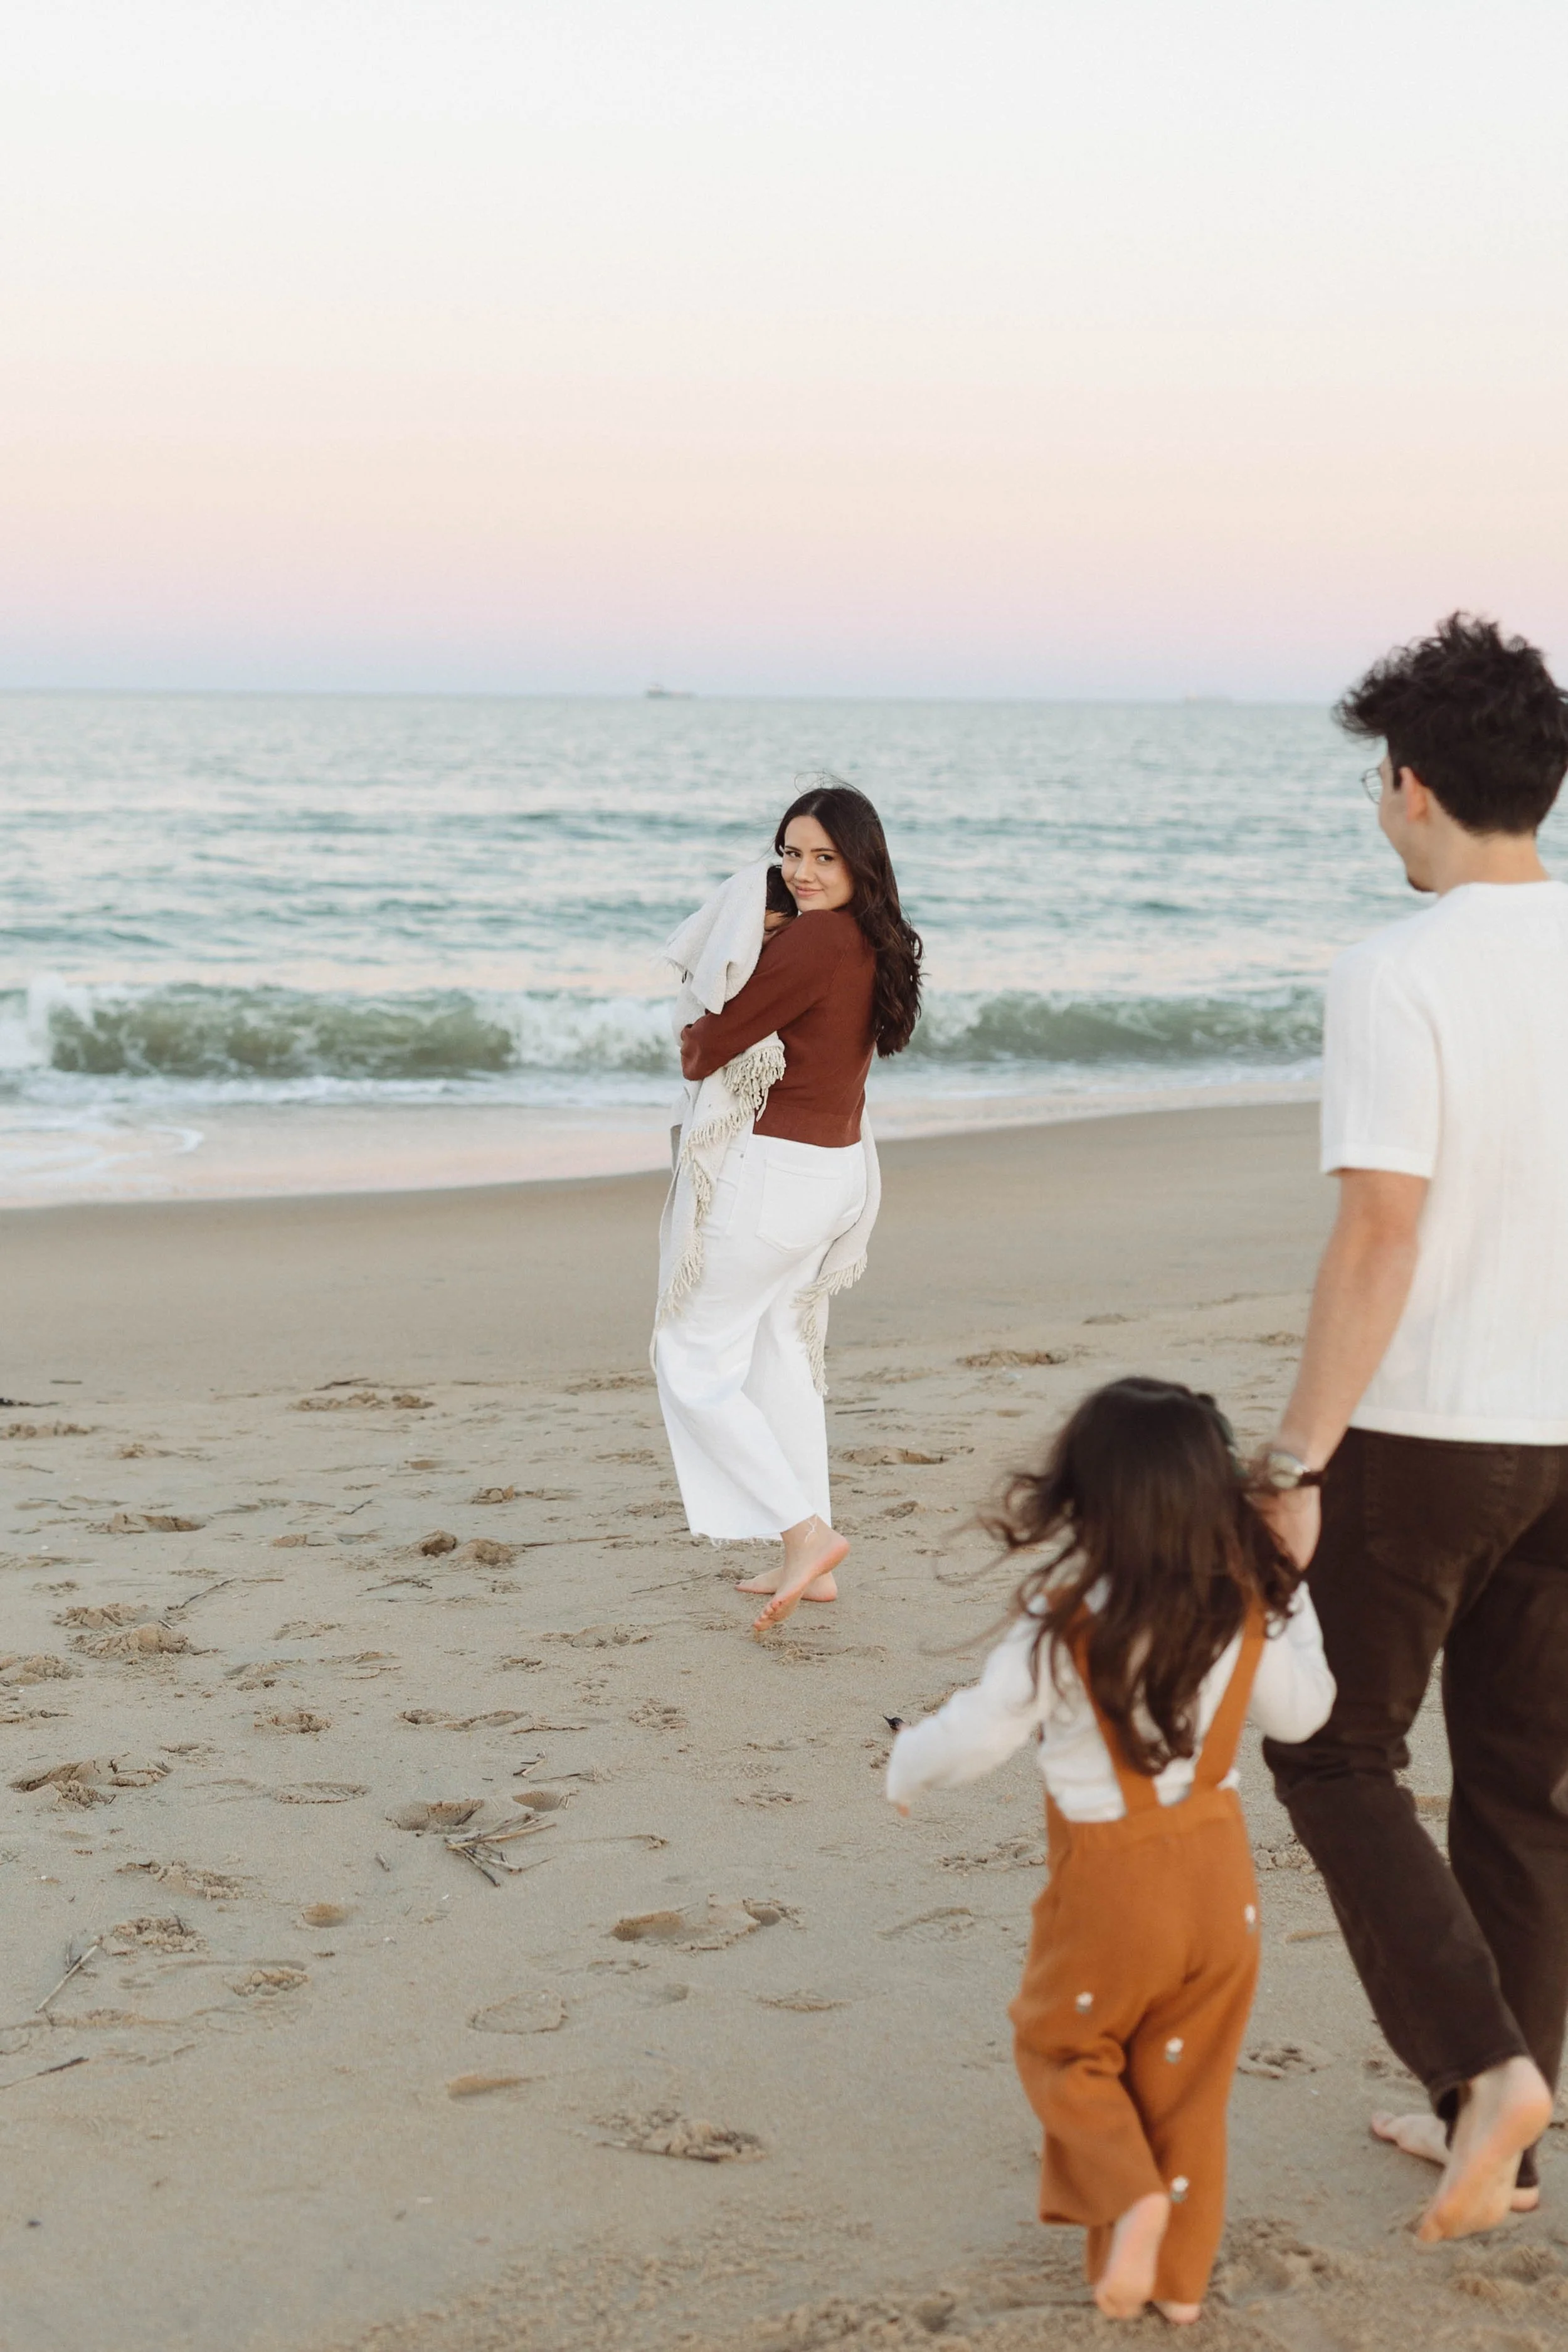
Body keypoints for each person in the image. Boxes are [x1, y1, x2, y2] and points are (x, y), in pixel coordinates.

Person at [1259, 614, 1568, 2242]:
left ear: (1413, 784)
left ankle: (1482, 2067)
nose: (1380, 811)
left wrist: (1294, 1457)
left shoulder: (1392, 972)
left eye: (1381, 784)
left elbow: (1378, 1233)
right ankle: (1489, 2125)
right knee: (1521, 1777)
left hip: (1437, 1424)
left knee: (1329, 1744)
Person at [887, 1379, 1334, 2324]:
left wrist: (905, 1768)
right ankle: (1174, 2288)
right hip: (1221, 1887)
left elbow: (978, 1733)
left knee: (1063, 2046)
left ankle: (1129, 2196)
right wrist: (1292, 1586)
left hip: (1110, 1888)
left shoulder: (1067, 1613)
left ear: (1088, 1498)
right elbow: (1308, 1711)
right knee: (1188, 2082)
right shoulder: (1248, 1602)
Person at [654, 780, 922, 1632]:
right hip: (834, 1171)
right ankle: (812, 1552)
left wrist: (718, 982)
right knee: (777, 1354)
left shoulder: (813, 946)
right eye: (791, 854)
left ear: (859, 862)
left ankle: (807, 1534)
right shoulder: (872, 942)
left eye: (823, 857)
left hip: (775, 1174)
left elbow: (704, 1051)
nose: (801, 872)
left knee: (688, 1352)